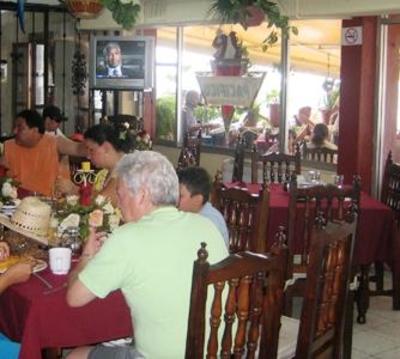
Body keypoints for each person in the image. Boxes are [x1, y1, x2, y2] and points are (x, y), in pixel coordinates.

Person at [66, 151, 228, 359]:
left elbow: (74, 298)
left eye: (121, 195)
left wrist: (87, 255)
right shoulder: (206, 225)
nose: (119, 203)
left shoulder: (127, 238)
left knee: (75, 356)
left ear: (141, 195)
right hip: (218, 352)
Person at [1, 109, 86, 197]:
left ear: (34, 130)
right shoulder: (9, 146)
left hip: (50, 204)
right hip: (17, 205)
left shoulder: (55, 142)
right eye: (14, 127)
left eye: (20, 128)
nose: (14, 131)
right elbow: (2, 178)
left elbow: (80, 149)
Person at [56, 123, 135, 206]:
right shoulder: (104, 173)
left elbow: (101, 201)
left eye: (91, 150)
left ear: (106, 148)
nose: (88, 156)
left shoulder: (126, 171)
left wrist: (73, 189)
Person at [177, 166, 229, 249]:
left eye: (180, 196)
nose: (175, 200)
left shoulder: (210, 221)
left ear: (198, 199)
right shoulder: (187, 214)